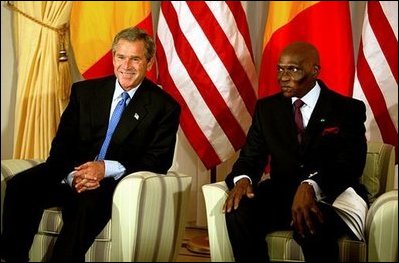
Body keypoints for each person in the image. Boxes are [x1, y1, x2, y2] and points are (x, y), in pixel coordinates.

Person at [0, 27, 181, 262]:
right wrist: (73, 175)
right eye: (121, 57)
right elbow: (61, 145)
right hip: (71, 174)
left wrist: (105, 168)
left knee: (86, 206)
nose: (126, 66)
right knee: (19, 186)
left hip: (110, 185)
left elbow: (159, 160)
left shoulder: (164, 107)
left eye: (135, 59)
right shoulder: (84, 92)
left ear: (148, 63)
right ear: (113, 58)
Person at [223, 41, 368, 262]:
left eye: (293, 69)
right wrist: (242, 179)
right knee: (239, 211)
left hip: (331, 195)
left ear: (314, 70)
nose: (283, 76)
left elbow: (351, 163)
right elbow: (251, 157)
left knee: (310, 220)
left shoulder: (347, 109)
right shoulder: (267, 109)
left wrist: (311, 184)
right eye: (280, 69)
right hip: (281, 194)